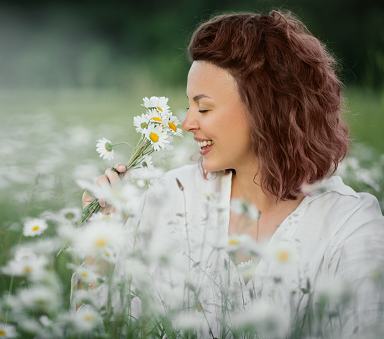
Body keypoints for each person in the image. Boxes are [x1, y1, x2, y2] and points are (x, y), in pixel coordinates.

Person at [81, 10, 384, 338]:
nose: (186, 124)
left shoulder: (349, 226)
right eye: (188, 106)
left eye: (204, 108)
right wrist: (102, 241)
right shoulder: (171, 195)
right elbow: (110, 325)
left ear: (265, 109)